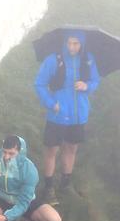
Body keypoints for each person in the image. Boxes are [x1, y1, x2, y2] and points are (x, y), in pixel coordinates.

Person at [33, 30, 100, 201]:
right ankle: (48, 188)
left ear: (82, 44)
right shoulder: (53, 60)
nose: (72, 47)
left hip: (79, 115)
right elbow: (39, 84)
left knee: (71, 148)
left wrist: (87, 86)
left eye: (76, 43)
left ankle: (65, 183)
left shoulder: (88, 60)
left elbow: (95, 80)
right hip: (57, 114)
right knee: (51, 150)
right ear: (64, 42)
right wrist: (51, 103)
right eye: (69, 43)